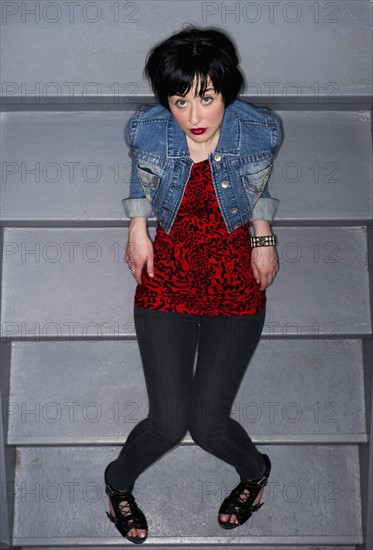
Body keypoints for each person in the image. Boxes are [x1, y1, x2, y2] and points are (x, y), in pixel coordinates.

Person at [104, 25, 283, 544]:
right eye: (180, 101)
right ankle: (117, 484)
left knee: (207, 427)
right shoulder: (148, 130)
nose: (195, 117)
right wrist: (138, 226)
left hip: (235, 284)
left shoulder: (258, 130)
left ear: (227, 89)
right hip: (168, 282)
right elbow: (141, 175)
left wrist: (264, 236)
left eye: (207, 98)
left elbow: (258, 184)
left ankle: (255, 472)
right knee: (166, 423)